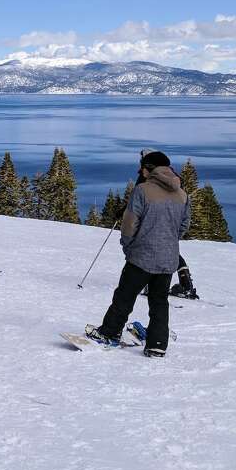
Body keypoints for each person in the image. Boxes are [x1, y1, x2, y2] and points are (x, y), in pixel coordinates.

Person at [86, 150, 190, 358]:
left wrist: (129, 246)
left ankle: (109, 332)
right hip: (168, 258)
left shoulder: (142, 190)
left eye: (142, 166)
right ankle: (157, 344)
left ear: (149, 168)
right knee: (159, 301)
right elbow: (184, 225)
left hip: (142, 255)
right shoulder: (182, 194)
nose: (139, 170)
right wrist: (167, 241)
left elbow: (129, 223)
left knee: (125, 296)